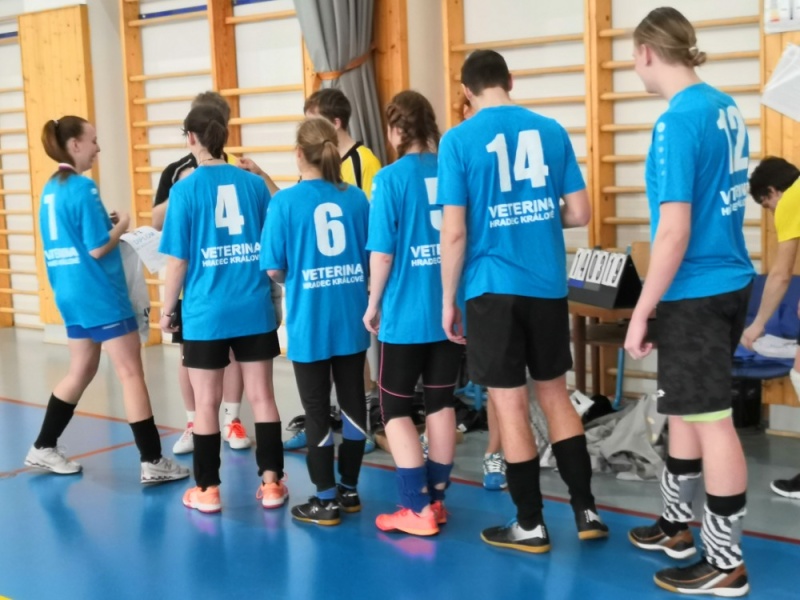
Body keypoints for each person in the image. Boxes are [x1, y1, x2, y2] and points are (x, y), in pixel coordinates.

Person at [438, 49, 606, 554]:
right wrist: (537, 215)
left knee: (509, 404)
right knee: (555, 395)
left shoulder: (458, 140)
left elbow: (454, 232)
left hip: (492, 287)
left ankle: (530, 522)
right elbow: (580, 213)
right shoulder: (551, 130)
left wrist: (448, 299)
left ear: (465, 91)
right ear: (510, 80)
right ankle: (586, 510)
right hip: (547, 284)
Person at [623, 7, 756, 596]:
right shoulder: (724, 107)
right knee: (683, 409)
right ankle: (677, 525)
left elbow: (674, 230)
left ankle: (726, 561)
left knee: (711, 421)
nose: (635, 67)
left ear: (647, 52)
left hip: (696, 288)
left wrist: (641, 309)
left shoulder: (675, 122)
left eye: (634, 57)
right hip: (725, 279)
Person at [24, 116, 189, 485]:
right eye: (93, 140)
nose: (98, 148)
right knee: (131, 373)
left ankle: (43, 445)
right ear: (75, 145)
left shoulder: (50, 189)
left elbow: (77, 236)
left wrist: (107, 226)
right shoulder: (83, 187)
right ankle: (152, 460)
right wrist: (123, 223)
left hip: (69, 292)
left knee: (81, 369)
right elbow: (98, 247)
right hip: (98, 293)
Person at [159, 105, 287, 513]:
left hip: (205, 312)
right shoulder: (253, 185)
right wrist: (276, 301)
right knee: (263, 396)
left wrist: (166, 310)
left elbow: (178, 261)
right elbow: (271, 249)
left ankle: (208, 490)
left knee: (206, 404)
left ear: (191, 138)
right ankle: (272, 484)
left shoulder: (184, 190)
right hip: (252, 306)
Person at [262, 117, 370, 526]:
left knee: (316, 410)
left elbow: (274, 268)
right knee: (354, 403)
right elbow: (371, 257)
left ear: (298, 154)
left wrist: (304, 273)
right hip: (351, 317)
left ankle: (325, 500)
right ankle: (350, 489)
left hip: (310, 321)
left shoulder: (285, 203)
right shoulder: (357, 199)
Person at [363, 91, 462, 536]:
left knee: (395, 409)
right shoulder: (453, 169)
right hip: (450, 309)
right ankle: (436, 500)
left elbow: (382, 252)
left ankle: (415, 507)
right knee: (441, 402)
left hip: (405, 312)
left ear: (397, 130)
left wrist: (372, 303)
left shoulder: (389, 179)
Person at [280, 88, 383, 451]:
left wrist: (371, 284)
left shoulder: (364, 165)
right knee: (328, 380)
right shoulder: (302, 192)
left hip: (341, 293)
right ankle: (328, 429)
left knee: (346, 374)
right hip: (333, 294)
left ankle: (345, 439)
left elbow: (375, 232)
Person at [743, 156, 800, 499]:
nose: (771, 211)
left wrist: (758, 324)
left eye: (766, 205)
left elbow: (780, 275)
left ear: (772, 191)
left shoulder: (791, 200)